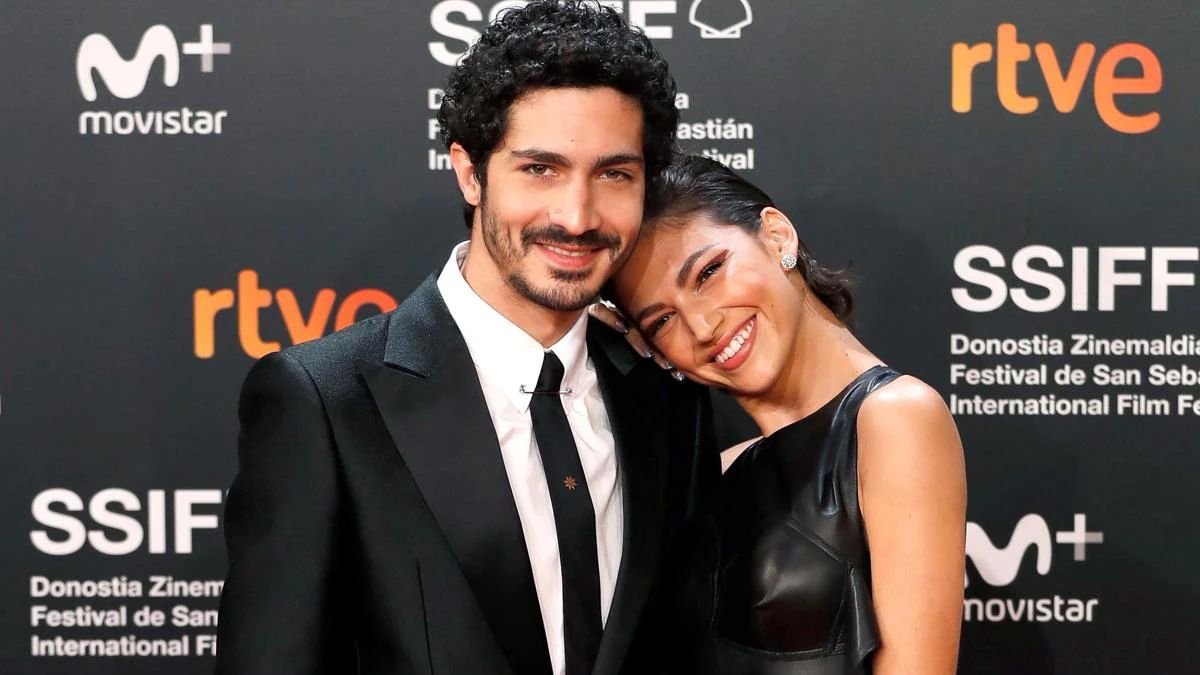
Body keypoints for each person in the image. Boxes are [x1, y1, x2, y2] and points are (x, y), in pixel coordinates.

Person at [215, 4, 717, 674]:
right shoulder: (326, 402)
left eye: (613, 174)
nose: (577, 216)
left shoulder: (669, 403)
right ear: (470, 172)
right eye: (540, 169)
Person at [610, 154, 967, 675]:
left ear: (777, 236)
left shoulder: (894, 419)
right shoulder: (718, 473)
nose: (703, 327)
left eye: (708, 273)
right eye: (662, 321)